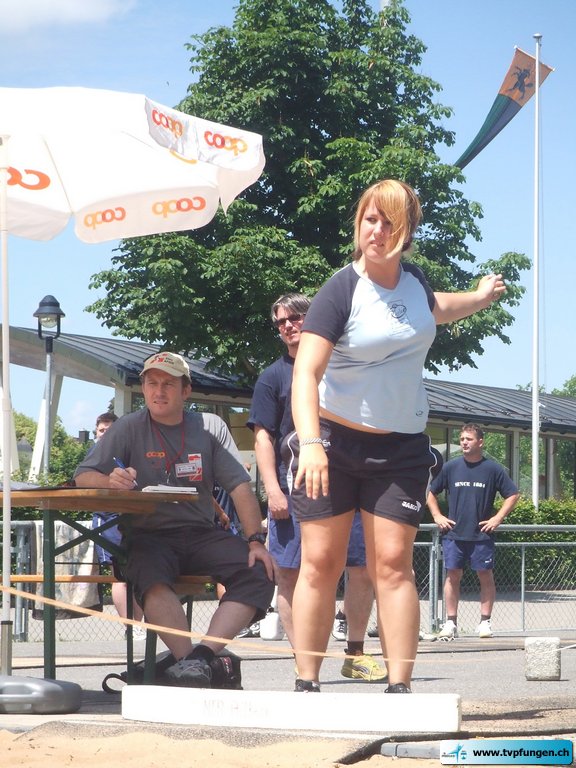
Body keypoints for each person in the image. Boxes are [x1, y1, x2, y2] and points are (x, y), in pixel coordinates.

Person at [284, 178, 506, 693]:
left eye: (388, 222)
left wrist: (479, 297)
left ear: (406, 232)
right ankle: (306, 682)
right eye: (369, 219)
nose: (376, 231)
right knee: (321, 563)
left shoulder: (415, 282)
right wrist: (311, 444)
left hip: (401, 449)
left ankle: (400, 687)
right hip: (333, 444)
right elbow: (305, 374)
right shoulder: (340, 290)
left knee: (392, 564)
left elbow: (436, 309)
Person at [74, 351, 276, 688]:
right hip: (147, 534)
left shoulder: (209, 426)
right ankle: (191, 665)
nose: (159, 391)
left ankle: (200, 658)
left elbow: (240, 486)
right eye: (152, 383)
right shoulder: (127, 426)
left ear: (186, 391)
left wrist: (256, 541)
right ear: (143, 388)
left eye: (168, 384)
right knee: (150, 576)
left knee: (259, 569)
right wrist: (109, 480)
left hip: (201, 533)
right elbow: (82, 476)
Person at [247, 293, 387, 682]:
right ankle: (305, 662)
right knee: (290, 575)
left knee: (362, 569)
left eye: (295, 317)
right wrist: (273, 490)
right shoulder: (272, 377)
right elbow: (263, 437)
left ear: (314, 318)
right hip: (294, 486)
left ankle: (355, 653)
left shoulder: (342, 366)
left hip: (348, 480)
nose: (288, 326)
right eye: (280, 322)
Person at [426, 423, 520, 639]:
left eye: (468, 439)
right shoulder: (451, 467)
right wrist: (437, 516)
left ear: (480, 442)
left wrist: (497, 518)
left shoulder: (493, 469)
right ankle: (451, 623)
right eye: (461, 439)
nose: (464, 442)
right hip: (454, 534)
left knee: (485, 575)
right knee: (452, 575)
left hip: (481, 535)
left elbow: (513, 494)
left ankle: (485, 622)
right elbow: (430, 492)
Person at [90, 411, 145, 637]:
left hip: (132, 518)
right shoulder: (93, 456)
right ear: (95, 433)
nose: (105, 434)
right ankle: (131, 627)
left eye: (109, 430)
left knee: (138, 572)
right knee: (119, 575)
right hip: (107, 519)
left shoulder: (126, 450)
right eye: (101, 430)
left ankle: (140, 624)